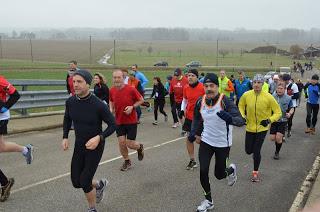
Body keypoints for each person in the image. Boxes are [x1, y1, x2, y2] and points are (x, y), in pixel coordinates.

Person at [188, 73, 245, 212]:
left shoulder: (224, 101)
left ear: (217, 87)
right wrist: (194, 132)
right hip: (206, 141)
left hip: (222, 143)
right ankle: (208, 201)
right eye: (206, 86)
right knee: (203, 170)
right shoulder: (200, 101)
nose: (208, 89)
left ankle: (230, 170)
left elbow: (241, 120)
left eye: (212, 86)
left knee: (219, 175)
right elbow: (196, 117)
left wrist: (230, 119)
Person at [62, 69, 116, 212]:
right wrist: (65, 137)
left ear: (88, 84)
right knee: (76, 182)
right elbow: (67, 119)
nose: (75, 85)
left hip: (95, 146)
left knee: (85, 181)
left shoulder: (98, 104)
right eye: (74, 82)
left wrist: (99, 137)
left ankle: (92, 208)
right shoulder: (70, 101)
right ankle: (99, 185)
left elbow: (113, 125)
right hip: (79, 145)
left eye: (79, 81)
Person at [238, 74, 281, 182]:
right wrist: (243, 116)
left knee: (256, 151)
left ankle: (255, 173)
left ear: (263, 84)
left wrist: (268, 120)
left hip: (262, 128)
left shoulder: (268, 96)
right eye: (255, 82)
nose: (256, 85)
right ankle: (254, 154)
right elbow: (241, 105)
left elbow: (278, 112)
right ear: (252, 84)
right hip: (249, 127)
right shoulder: (246, 95)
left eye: (259, 83)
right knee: (248, 151)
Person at [109, 70, 145, 171]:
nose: (116, 79)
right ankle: (127, 161)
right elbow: (111, 100)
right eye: (114, 77)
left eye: (118, 77)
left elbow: (141, 100)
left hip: (131, 121)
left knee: (130, 144)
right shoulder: (111, 90)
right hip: (119, 121)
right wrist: (111, 109)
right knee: (121, 142)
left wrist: (132, 107)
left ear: (123, 78)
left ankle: (139, 147)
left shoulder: (131, 89)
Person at [0, 75, 34, 163]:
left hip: (1, 117)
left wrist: (5, 107)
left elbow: (15, 95)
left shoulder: (0, 81)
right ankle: (25, 150)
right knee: (1, 147)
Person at [181, 69, 205, 170]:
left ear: (197, 77)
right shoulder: (186, 87)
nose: (190, 77)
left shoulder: (202, 88)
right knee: (189, 138)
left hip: (200, 118)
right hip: (189, 117)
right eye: (188, 75)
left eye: (192, 76)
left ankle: (207, 154)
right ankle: (192, 160)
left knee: (198, 140)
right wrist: (182, 110)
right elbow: (185, 100)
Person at [270, 82, 294, 160]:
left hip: (283, 120)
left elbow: (292, 108)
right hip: (274, 120)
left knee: (278, 138)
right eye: (278, 88)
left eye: (281, 89)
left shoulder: (288, 98)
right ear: (276, 89)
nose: (279, 90)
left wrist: (289, 113)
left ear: (284, 89)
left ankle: (277, 152)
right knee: (272, 138)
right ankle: (279, 138)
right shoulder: (272, 97)